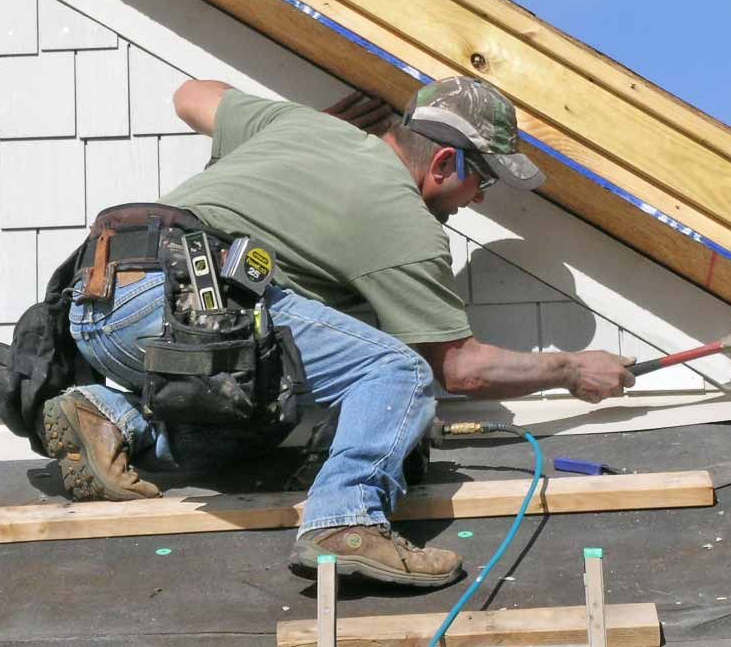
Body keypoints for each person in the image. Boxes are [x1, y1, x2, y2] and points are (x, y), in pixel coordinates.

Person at [39, 76, 635, 588]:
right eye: (484, 181)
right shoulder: (405, 221)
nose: (479, 198)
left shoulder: (303, 126)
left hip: (100, 303)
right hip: (186, 299)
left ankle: (111, 417)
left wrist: (281, 143)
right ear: (445, 163)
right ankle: (344, 523)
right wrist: (573, 368)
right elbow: (459, 367)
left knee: (265, 419)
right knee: (400, 367)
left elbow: (190, 95)